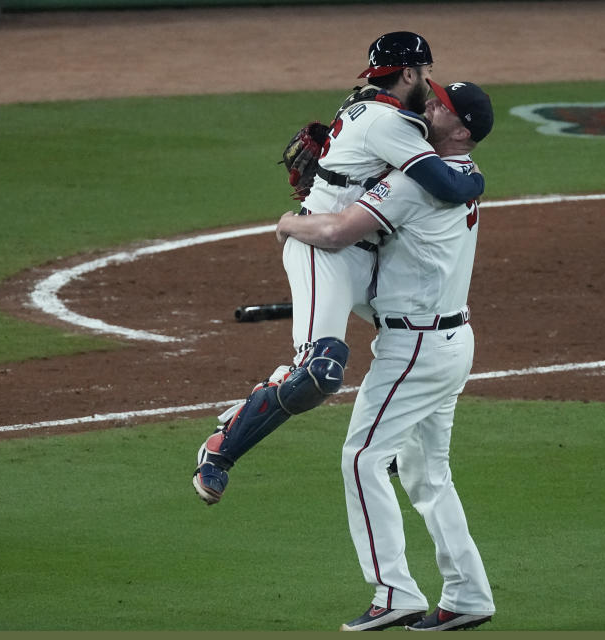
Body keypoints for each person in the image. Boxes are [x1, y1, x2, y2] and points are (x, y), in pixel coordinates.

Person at [192, 33, 487, 506]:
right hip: (323, 248)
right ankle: (221, 450)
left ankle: (389, 440)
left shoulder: (376, 108)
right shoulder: (388, 121)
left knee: (420, 334)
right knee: (322, 371)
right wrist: (478, 177)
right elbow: (447, 184)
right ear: (409, 73)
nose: (430, 88)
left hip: (368, 255)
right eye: (426, 75)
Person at [275, 80, 496, 632]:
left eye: (443, 106)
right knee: (427, 473)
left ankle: (393, 590)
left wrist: (286, 222)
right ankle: (468, 594)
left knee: (362, 458)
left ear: (462, 131)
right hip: (447, 341)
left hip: (416, 344)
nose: (431, 103)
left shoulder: (413, 184)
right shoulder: (455, 177)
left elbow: (332, 234)